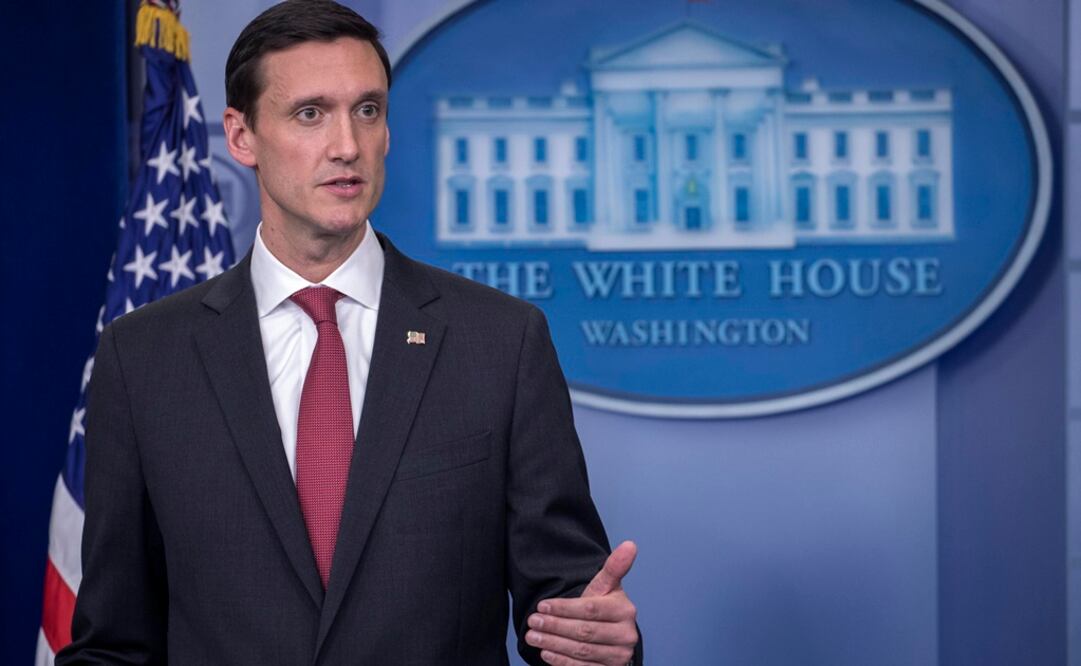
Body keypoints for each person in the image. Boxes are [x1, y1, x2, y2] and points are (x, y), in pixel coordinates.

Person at [58, 1, 641, 664]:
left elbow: (565, 611)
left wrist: (600, 648)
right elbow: (114, 644)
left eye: (367, 110)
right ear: (241, 136)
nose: (347, 145)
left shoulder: (501, 343)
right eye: (310, 113)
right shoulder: (144, 359)